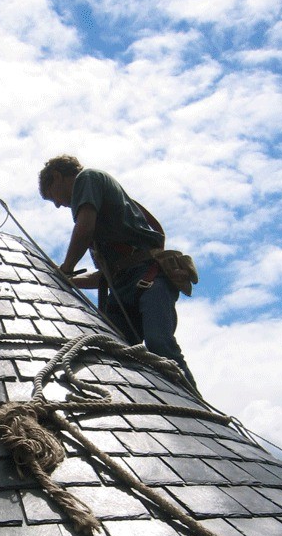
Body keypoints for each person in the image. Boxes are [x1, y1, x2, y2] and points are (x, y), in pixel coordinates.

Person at [38, 155, 197, 389]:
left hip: (147, 277)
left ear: (58, 177)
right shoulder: (102, 231)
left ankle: (194, 402)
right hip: (123, 286)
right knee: (111, 351)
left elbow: (84, 228)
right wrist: (69, 281)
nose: (59, 205)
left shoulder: (88, 179)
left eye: (54, 197)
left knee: (159, 343)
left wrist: (67, 267)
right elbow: (105, 276)